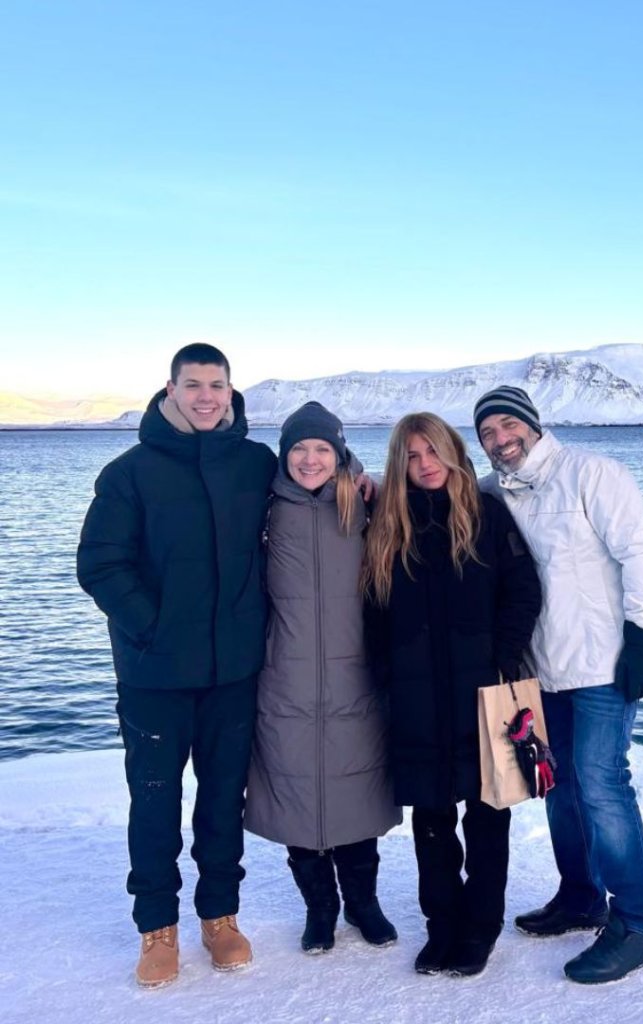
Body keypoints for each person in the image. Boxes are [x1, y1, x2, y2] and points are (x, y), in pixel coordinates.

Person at [77, 344, 277, 988]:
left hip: (233, 672)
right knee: (155, 802)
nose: (205, 397)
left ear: (230, 391)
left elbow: (312, 492)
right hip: (154, 675)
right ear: (171, 390)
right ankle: (156, 927)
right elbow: (100, 564)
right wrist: (153, 628)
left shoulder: (255, 463)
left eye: (216, 385)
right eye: (193, 385)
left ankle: (220, 916)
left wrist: (364, 481)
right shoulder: (129, 473)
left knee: (222, 800)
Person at [473, 385, 643, 985]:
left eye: (508, 425)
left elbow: (639, 552)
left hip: (604, 662)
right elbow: (431, 487)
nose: (501, 439)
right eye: (487, 433)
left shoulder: (592, 473)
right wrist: (367, 481)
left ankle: (639, 923)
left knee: (601, 783)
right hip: (543, 667)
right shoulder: (493, 491)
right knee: (557, 785)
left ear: (532, 425)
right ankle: (581, 895)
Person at [362, 412, 541, 978]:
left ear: (454, 453)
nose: (425, 465)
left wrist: (502, 658)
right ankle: (441, 925)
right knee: (432, 818)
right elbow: (372, 610)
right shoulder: (388, 525)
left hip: (484, 692)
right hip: (415, 698)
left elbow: (523, 591)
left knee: (487, 816)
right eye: (413, 457)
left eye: (434, 451)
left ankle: (480, 927)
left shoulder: (486, 513)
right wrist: (385, 673)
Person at [244, 401, 401, 955]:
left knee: (356, 796)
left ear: (339, 455)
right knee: (297, 799)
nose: (310, 460)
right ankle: (321, 909)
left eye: (322, 449)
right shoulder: (264, 509)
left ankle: (363, 903)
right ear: (284, 454)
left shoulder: (365, 506)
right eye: (299, 449)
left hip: (355, 677)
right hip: (283, 679)